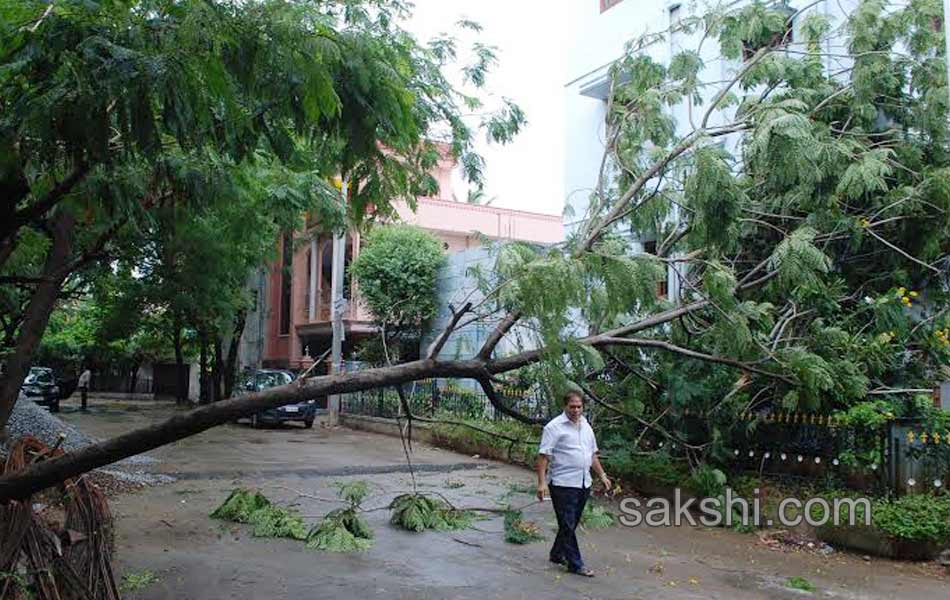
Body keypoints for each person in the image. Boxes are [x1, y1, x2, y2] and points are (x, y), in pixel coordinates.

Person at [536, 390, 611, 577]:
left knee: (571, 523)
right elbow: (544, 456)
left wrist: (602, 475)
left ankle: (557, 553)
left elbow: (592, 454)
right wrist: (542, 483)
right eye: (572, 407)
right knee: (568, 524)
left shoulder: (586, 426)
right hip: (562, 483)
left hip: (583, 482)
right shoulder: (554, 427)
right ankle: (576, 564)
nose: (576, 410)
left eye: (579, 406)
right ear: (565, 406)